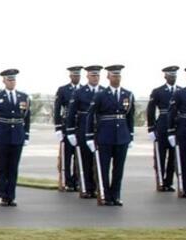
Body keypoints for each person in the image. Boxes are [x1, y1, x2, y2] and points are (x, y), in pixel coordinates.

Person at [85, 65, 135, 206]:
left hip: (122, 136)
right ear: (108, 77)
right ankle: (105, 195)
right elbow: (91, 115)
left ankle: (116, 195)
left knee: (118, 169)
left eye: (118, 76)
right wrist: (89, 136)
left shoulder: (128, 94)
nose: (116, 78)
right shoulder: (101, 94)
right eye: (114, 76)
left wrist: (130, 135)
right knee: (104, 168)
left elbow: (130, 117)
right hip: (105, 136)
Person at [0, 69, 30, 206]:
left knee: (13, 167)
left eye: (13, 80)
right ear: (4, 81)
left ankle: (11, 195)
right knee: (2, 167)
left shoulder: (24, 97)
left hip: (17, 134)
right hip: (2, 134)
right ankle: (3, 195)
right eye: (9, 80)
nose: (12, 82)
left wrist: (26, 134)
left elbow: (27, 117)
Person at [65, 65, 104, 199]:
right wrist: (70, 132)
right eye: (93, 75)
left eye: (97, 75)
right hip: (83, 129)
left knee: (99, 160)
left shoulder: (104, 92)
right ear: (87, 76)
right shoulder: (80, 92)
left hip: (100, 129)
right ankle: (87, 188)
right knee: (85, 160)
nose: (95, 78)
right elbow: (71, 113)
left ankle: (100, 188)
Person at [147, 66, 179, 192]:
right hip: (162, 126)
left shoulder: (180, 91)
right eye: (171, 76)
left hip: (176, 127)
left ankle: (169, 182)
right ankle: (160, 181)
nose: (173, 78)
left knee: (173, 156)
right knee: (160, 156)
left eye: (175, 76)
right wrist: (151, 128)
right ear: (165, 76)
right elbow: (151, 110)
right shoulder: (158, 91)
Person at [53, 66, 82, 192]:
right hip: (66, 125)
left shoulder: (84, 89)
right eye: (74, 75)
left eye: (78, 75)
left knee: (79, 155)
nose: (76, 77)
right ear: (70, 76)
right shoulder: (63, 90)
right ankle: (67, 181)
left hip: (80, 124)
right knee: (67, 155)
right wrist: (58, 127)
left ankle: (77, 180)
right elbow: (57, 109)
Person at [167, 65, 186, 197]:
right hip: (185, 129)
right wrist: (171, 132)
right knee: (185, 160)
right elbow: (172, 113)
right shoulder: (180, 93)